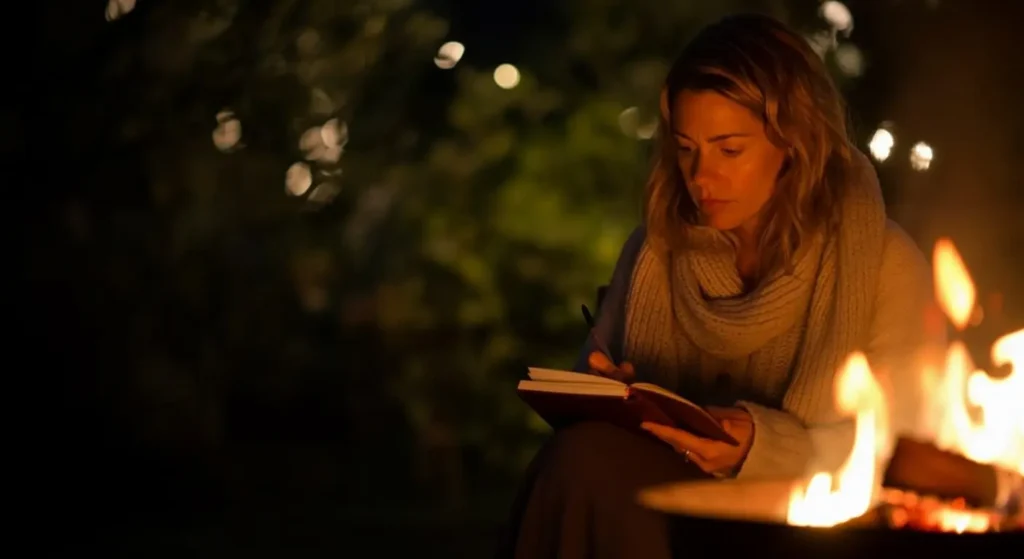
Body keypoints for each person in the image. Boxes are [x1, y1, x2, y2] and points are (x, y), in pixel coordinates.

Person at [499, 12, 938, 559]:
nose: (701, 176)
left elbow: (910, 454)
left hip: (806, 523)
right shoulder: (655, 249)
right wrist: (613, 392)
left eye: (730, 150)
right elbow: (593, 389)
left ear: (793, 143)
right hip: (662, 501)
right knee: (581, 458)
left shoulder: (881, 262)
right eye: (686, 148)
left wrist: (760, 448)